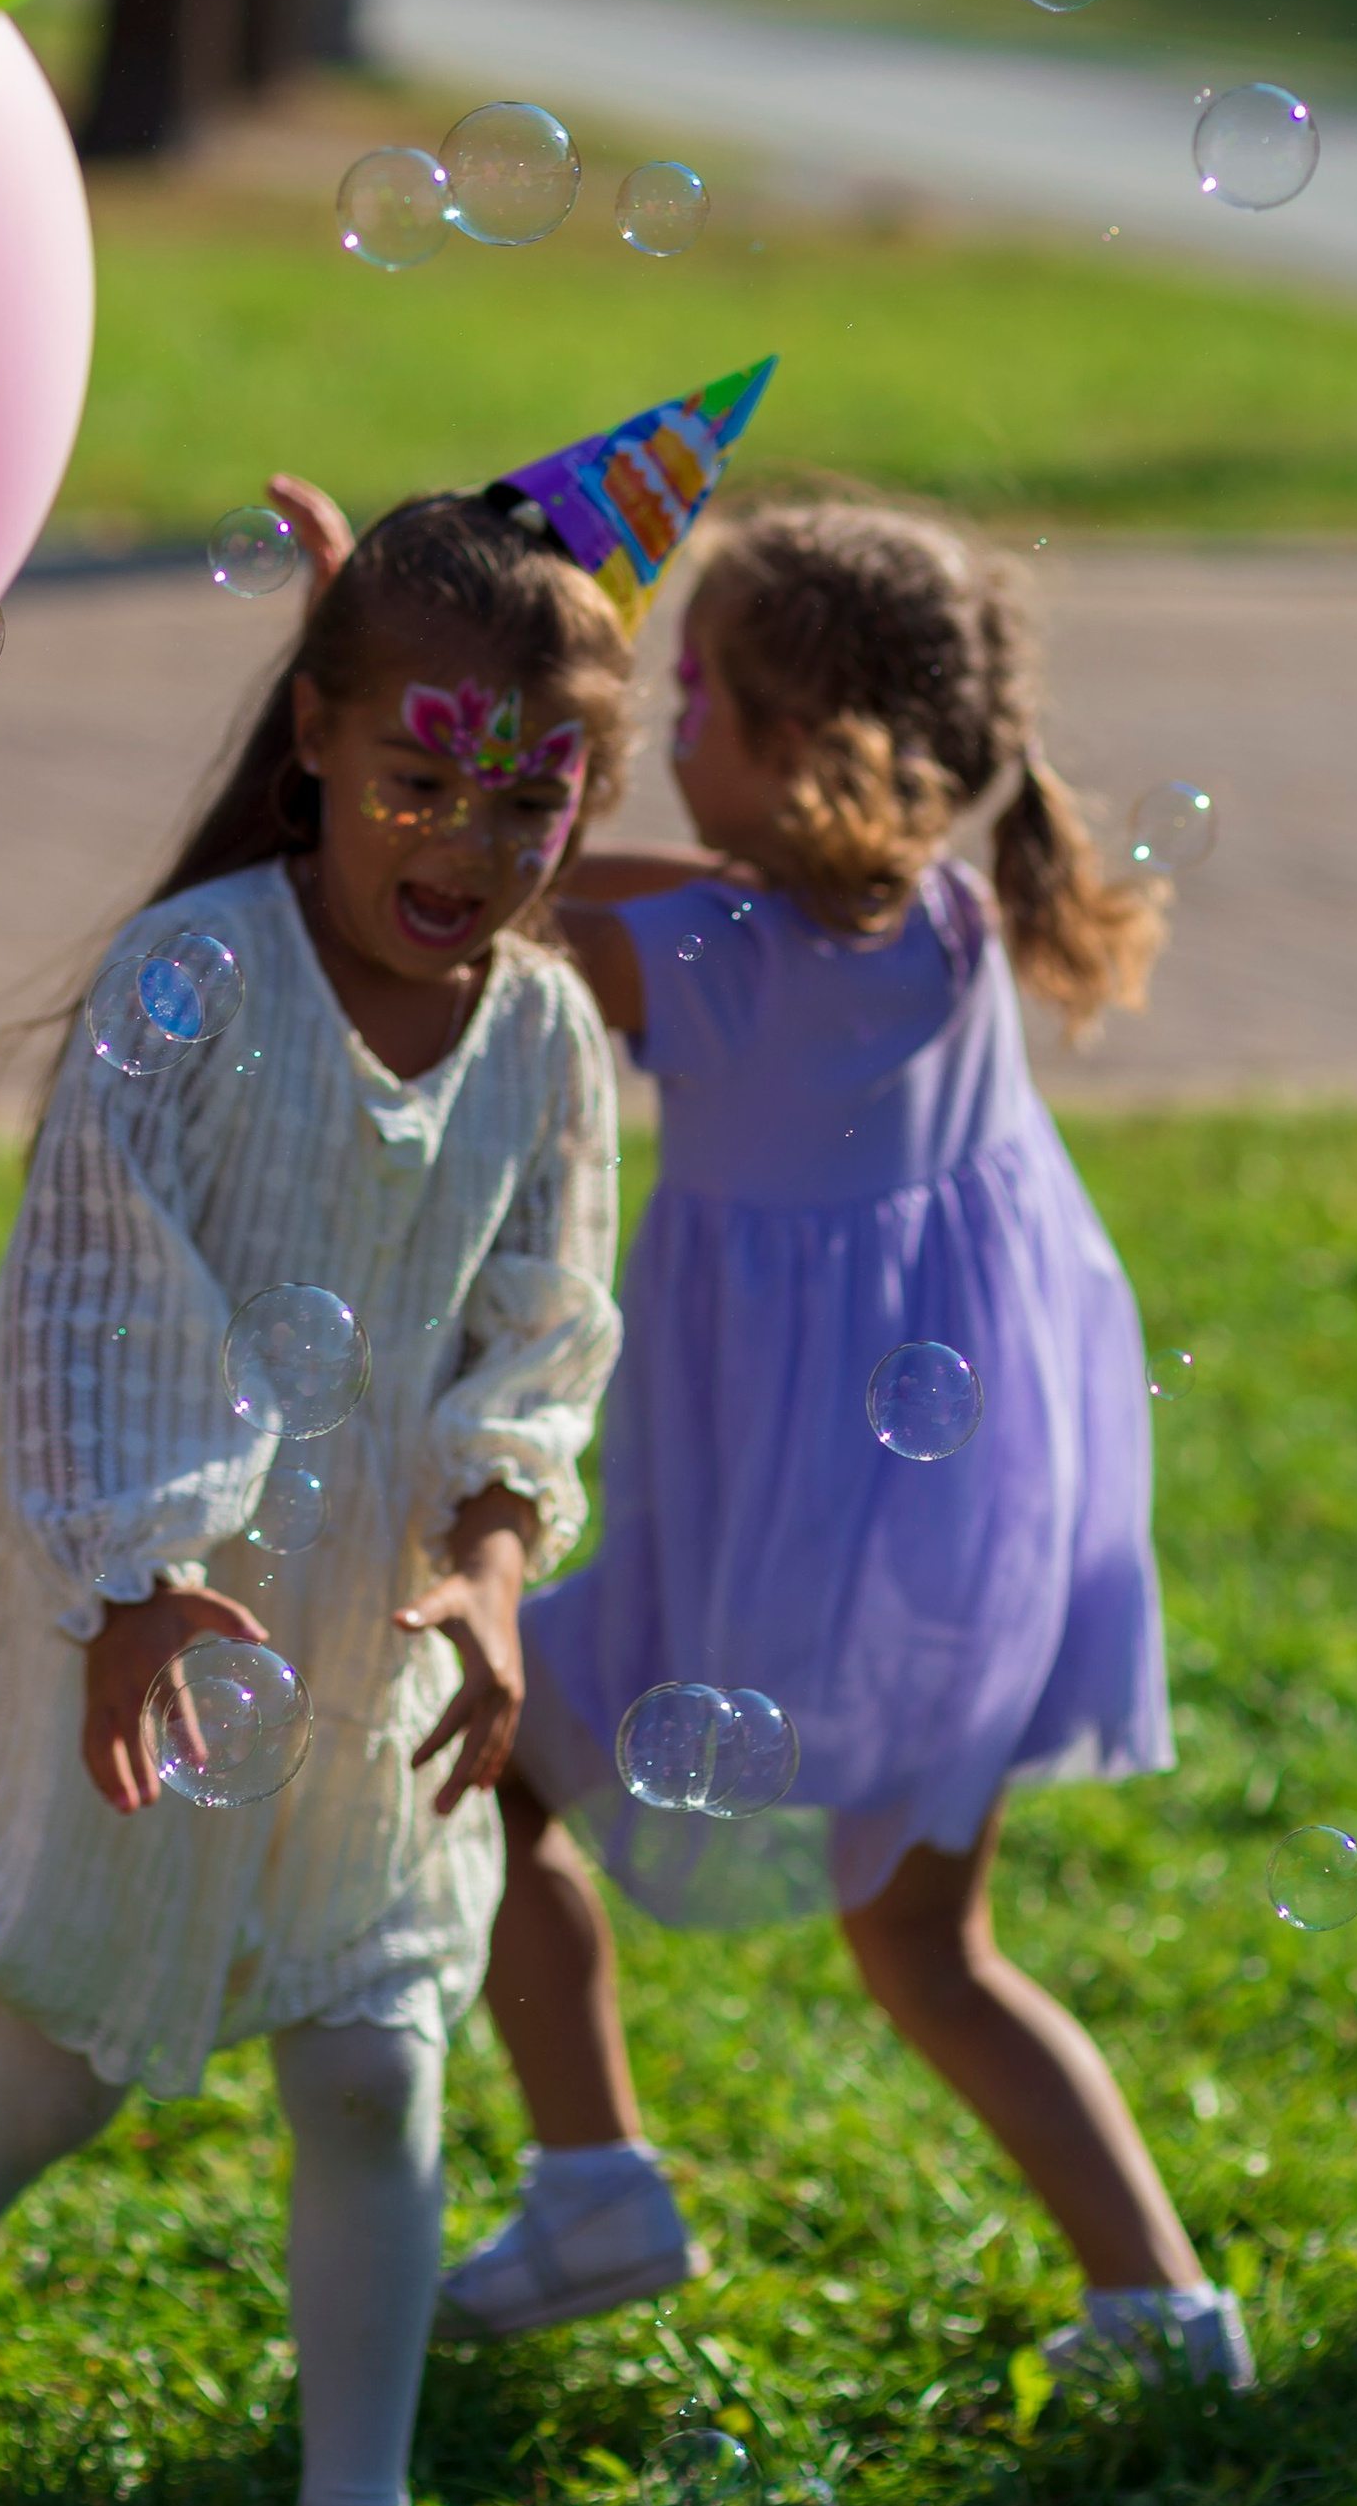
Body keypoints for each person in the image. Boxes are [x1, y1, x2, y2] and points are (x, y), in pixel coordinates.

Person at [0, 485, 636, 2506]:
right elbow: (88, 1283)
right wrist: (146, 1587)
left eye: (528, 798)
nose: (468, 840)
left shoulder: (539, 1034)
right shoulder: (191, 980)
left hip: (366, 1637)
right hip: (144, 1611)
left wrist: (490, 1566)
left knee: (370, 2057)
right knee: (58, 2065)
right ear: (313, 741)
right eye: (421, 777)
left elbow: (546, 1320)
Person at [431, 489, 1256, 2393]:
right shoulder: (949, 916)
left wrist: (411, 672)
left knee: (486, 1767)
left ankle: (595, 2176)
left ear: (799, 753)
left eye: (693, 692)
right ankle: (1162, 2304)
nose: (662, 723)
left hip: (778, 1570)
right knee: (936, 1956)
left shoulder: (718, 954)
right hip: (968, 1561)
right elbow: (627, 873)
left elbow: (486, 874)